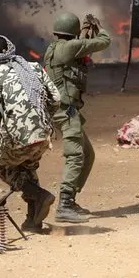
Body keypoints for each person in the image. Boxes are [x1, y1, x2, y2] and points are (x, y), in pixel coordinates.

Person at [0, 35, 61, 233]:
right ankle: (32, 221)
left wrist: (6, 121)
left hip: (15, 138)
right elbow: (56, 98)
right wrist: (40, 118)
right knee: (28, 168)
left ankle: (38, 194)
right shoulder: (32, 67)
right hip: (44, 134)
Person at [44, 12, 111, 223]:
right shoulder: (70, 48)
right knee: (75, 156)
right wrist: (98, 28)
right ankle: (64, 204)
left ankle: (70, 200)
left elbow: (79, 46)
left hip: (63, 110)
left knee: (88, 154)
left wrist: (84, 32)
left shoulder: (56, 48)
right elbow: (104, 42)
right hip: (66, 111)